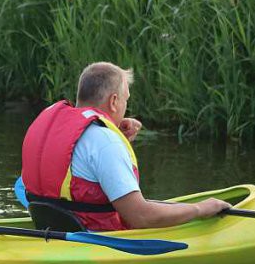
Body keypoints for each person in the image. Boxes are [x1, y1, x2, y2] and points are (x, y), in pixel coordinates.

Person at [21, 62, 230, 231]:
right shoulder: (105, 142)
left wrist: (115, 132)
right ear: (114, 101)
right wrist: (200, 209)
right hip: (94, 239)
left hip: (49, 228)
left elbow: (22, 186)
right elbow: (140, 217)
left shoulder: (52, 124)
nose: (125, 106)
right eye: (125, 100)